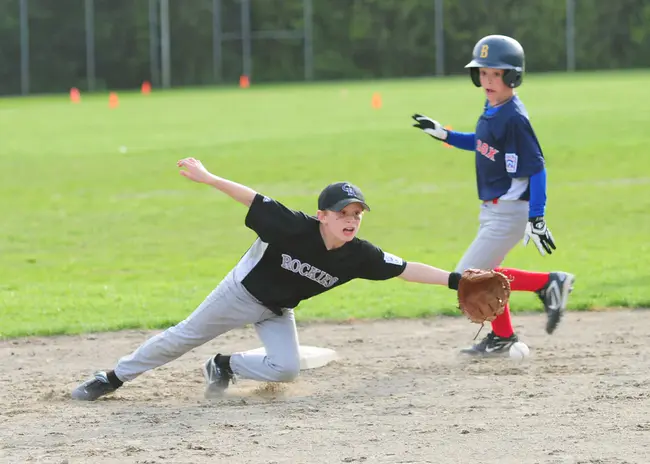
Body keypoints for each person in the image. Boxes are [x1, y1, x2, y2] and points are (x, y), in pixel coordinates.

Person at [72, 157, 471, 401]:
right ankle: (110, 377)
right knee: (182, 338)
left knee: (286, 368)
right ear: (323, 215)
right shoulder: (294, 227)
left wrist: (457, 281)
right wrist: (209, 178)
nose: (351, 220)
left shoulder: (359, 255)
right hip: (241, 293)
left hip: (278, 308)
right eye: (343, 213)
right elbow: (252, 197)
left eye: (357, 214)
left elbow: (406, 268)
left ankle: (223, 366)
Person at [411, 34, 575, 356]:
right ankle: (504, 337)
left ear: (512, 76)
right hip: (494, 210)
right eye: (482, 73)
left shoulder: (514, 118)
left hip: (510, 211)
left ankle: (548, 283)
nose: (487, 79)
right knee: (486, 275)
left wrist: (537, 217)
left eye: (495, 73)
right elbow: (480, 141)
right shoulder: (493, 107)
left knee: (465, 277)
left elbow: (537, 168)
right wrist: (444, 134)